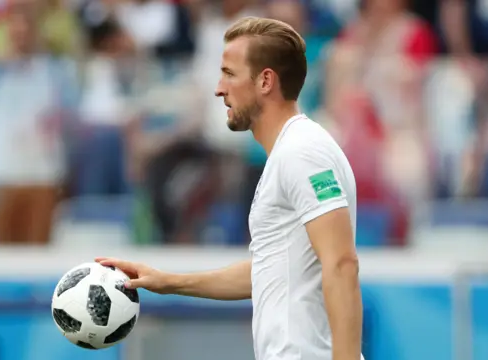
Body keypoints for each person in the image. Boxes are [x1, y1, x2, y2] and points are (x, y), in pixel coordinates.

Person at [97, 16, 364, 360]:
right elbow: (268, 269)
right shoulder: (291, 151)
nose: (219, 88)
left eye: (229, 73)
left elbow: (342, 262)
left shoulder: (303, 152)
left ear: (265, 80)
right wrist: (168, 281)